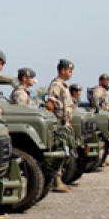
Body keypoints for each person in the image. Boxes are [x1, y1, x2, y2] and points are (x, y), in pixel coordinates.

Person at [46, 59, 75, 193]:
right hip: (58, 124)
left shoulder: (64, 86)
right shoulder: (56, 85)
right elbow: (50, 105)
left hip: (65, 124)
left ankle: (60, 180)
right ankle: (55, 181)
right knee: (58, 153)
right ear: (62, 70)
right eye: (69, 71)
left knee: (64, 153)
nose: (71, 74)